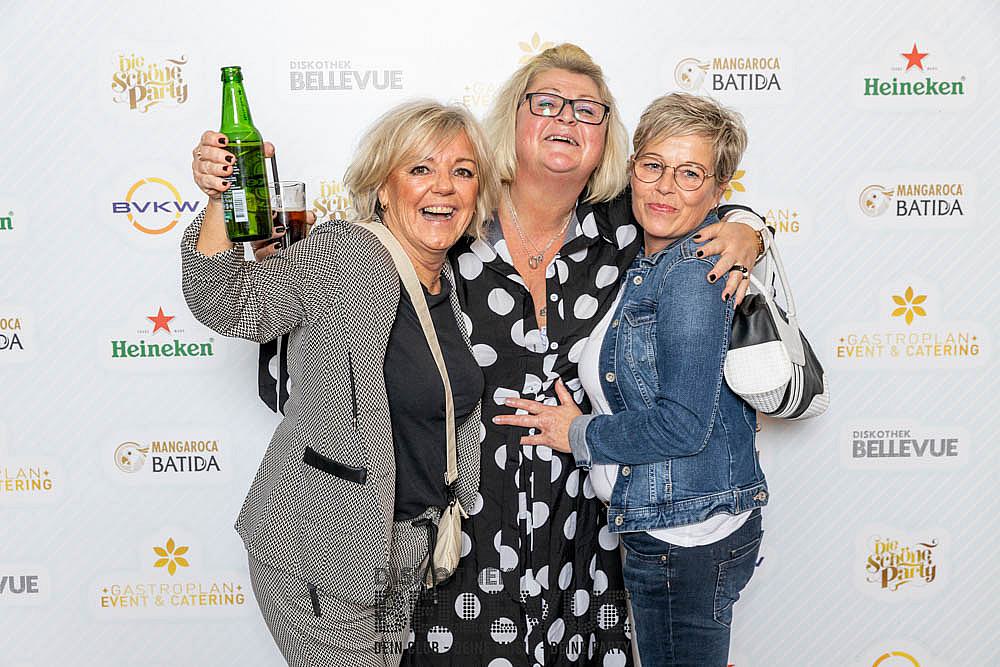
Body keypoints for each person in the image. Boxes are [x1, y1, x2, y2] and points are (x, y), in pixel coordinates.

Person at [252, 44, 769, 665]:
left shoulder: (628, 231)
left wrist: (750, 229)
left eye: (587, 109)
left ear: (608, 139)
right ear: (513, 120)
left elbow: (691, 199)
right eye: (546, 102)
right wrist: (264, 248)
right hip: (461, 534)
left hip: (585, 535)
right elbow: (312, 336)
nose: (566, 118)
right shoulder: (452, 221)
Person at [181, 100, 500, 667]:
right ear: (383, 189)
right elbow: (222, 299)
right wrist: (219, 199)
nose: (444, 187)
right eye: (420, 168)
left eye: (463, 171)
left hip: (403, 550)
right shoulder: (346, 255)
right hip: (323, 546)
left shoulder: (446, 282)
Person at [497, 92, 768, 667]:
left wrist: (578, 433)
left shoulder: (694, 273)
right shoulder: (650, 260)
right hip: (671, 526)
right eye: (653, 166)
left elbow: (682, 427)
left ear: (719, 189)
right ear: (631, 168)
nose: (666, 187)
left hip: (685, 538)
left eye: (690, 174)